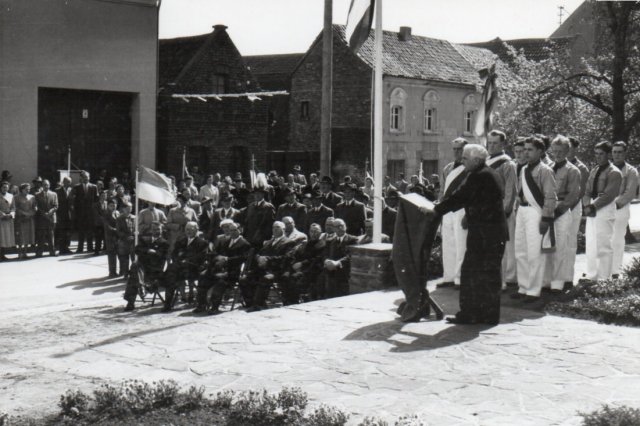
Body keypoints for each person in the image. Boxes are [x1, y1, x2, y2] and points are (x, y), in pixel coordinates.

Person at [432, 144, 508, 325]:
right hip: (490, 233)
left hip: (485, 234)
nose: (461, 161)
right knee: (487, 276)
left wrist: (436, 211)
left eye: (465, 158)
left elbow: (460, 196)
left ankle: (470, 314)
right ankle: (487, 316)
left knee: (472, 273)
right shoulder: (488, 173)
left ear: (476, 160)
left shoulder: (479, 176)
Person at [513, 136, 557, 303]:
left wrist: (546, 217)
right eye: (524, 149)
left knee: (534, 252)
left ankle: (533, 290)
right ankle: (523, 287)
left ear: (540, 151)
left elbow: (550, 197)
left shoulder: (545, 170)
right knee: (520, 250)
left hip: (535, 212)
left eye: (530, 149)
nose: (526, 152)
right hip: (522, 211)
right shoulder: (523, 169)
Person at [544, 136, 581, 293]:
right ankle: (546, 281)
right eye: (555, 151)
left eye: (561, 151)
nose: (557, 154)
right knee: (546, 248)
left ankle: (558, 283)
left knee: (560, 247)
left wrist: (557, 212)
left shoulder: (573, 170)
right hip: (547, 210)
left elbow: (573, 196)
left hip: (562, 211)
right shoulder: (547, 167)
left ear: (567, 151)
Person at [582, 141, 622, 281]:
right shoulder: (594, 170)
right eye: (596, 154)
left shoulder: (614, 172)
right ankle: (591, 275)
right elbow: (587, 191)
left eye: (601, 154)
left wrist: (593, 206)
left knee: (603, 244)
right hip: (592, 207)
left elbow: (609, 194)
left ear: (608, 155)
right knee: (591, 243)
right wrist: (587, 205)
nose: (598, 157)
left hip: (604, 208)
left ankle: (604, 278)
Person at [196, 221, 251, 314]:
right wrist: (217, 257)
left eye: (235, 230)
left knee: (219, 279)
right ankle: (201, 304)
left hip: (232, 272)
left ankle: (214, 306)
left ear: (240, 230)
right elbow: (216, 252)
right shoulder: (225, 241)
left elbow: (242, 258)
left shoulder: (244, 244)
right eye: (230, 230)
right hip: (219, 268)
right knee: (203, 275)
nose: (232, 232)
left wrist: (227, 259)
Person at [241, 221, 296, 311]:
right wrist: (259, 258)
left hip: (278, 270)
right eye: (273, 227)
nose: (274, 229)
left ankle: (257, 304)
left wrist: (267, 259)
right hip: (263, 268)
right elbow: (259, 253)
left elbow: (286, 258)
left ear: (283, 229)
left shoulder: (289, 242)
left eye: (277, 227)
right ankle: (250, 303)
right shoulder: (268, 242)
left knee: (265, 279)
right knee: (244, 279)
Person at [486, 130, 518, 289]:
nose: (491, 146)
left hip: (500, 211)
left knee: (503, 247)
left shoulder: (507, 163)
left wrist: (505, 211)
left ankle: (503, 280)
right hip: (485, 210)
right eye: (489, 143)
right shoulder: (485, 160)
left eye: (495, 143)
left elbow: (511, 190)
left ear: (503, 144)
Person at [438, 138, 469, 289]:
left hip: (461, 209)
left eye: (460, 149)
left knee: (461, 244)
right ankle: (448, 276)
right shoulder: (447, 168)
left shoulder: (469, 168)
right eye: (454, 149)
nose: (457, 152)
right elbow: (442, 191)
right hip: (447, 209)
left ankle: (460, 278)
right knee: (448, 243)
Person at [123, 221, 170, 311]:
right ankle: (141, 286)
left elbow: (161, 256)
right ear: (151, 230)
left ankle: (131, 302)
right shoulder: (145, 240)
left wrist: (150, 252)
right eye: (154, 229)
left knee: (134, 273)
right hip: (143, 268)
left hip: (154, 270)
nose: (156, 231)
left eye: (158, 229)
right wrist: (148, 251)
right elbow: (137, 250)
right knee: (135, 267)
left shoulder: (164, 243)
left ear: (162, 230)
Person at [163, 221, 208, 311]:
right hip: (180, 269)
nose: (188, 231)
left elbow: (201, 257)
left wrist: (187, 261)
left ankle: (200, 304)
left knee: (172, 271)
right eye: (187, 229)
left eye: (191, 229)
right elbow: (174, 254)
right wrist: (178, 260)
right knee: (170, 276)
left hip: (193, 269)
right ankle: (167, 303)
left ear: (196, 230)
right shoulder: (181, 241)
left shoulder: (202, 243)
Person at [610, 141, 638, 278]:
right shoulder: (606, 168)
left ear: (625, 153)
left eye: (620, 152)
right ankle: (603, 270)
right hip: (604, 208)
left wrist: (614, 204)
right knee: (603, 239)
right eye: (614, 152)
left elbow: (630, 193)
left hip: (620, 208)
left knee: (617, 240)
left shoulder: (631, 171)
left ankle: (615, 271)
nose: (617, 154)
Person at [566, 136, 590, 289]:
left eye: (570, 147)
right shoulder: (557, 165)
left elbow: (579, 193)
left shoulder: (581, 168)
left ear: (575, 149)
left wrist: (565, 208)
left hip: (572, 208)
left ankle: (568, 277)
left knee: (570, 243)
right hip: (561, 208)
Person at [285, 223, 327, 303]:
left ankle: (295, 302)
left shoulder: (322, 244)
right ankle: (289, 302)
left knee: (295, 281)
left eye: (316, 231)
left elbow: (316, 259)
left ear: (320, 232)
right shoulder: (306, 244)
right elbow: (298, 255)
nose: (313, 234)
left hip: (313, 270)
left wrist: (302, 265)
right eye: (311, 231)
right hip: (302, 269)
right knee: (286, 276)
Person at [321, 218, 358, 298]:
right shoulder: (330, 241)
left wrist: (338, 262)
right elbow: (325, 254)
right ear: (333, 229)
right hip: (331, 274)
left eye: (341, 226)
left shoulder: (353, 239)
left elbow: (351, 255)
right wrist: (327, 261)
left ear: (345, 226)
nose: (340, 228)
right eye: (337, 226)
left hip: (345, 275)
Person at [71, 171, 98, 253]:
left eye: (87, 177)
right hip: (80, 213)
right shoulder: (76, 187)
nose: (86, 178)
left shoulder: (94, 187)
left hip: (90, 213)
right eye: (84, 177)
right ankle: (80, 248)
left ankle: (90, 248)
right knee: (81, 232)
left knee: (90, 231)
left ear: (89, 177)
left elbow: (96, 200)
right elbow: (74, 200)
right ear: (81, 178)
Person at [35, 179, 58, 257]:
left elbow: (56, 205)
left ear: (49, 185)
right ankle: (39, 252)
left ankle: (52, 251)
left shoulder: (54, 194)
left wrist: (50, 212)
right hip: (42, 218)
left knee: (51, 235)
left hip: (51, 218)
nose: (46, 186)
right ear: (42, 186)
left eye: (47, 185)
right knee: (41, 236)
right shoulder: (37, 195)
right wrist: (44, 214)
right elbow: (37, 206)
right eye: (44, 185)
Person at [14, 183, 36, 260]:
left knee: (28, 236)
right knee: (21, 236)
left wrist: (31, 214)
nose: (28, 190)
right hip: (21, 219)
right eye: (26, 189)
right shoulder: (16, 197)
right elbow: (15, 208)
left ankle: (25, 253)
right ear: (22, 189)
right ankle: (19, 253)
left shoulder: (32, 197)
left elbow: (34, 207)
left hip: (29, 219)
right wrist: (24, 214)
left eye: (29, 189)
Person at [115, 202, 136, 277]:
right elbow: (118, 231)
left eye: (130, 208)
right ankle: (125, 273)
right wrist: (125, 237)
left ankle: (134, 273)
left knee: (134, 258)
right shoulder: (119, 218)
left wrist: (134, 236)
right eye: (127, 208)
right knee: (124, 258)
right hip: (124, 241)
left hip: (133, 240)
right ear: (123, 209)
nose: (129, 210)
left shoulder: (134, 218)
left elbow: (137, 229)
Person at [55, 177, 73, 254]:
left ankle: (66, 247)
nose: (69, 183)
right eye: (68, 182)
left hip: (69, 215)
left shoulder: (71, 190)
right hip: (61, 214)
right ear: (64, 182)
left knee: (68, 232)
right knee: (61, 232)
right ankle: (62, 248)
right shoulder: (57, 191)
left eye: (70, 182)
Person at [103, 198, 120, 278]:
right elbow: (107, 226)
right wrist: (116, 230)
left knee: (118, 253)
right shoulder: (106, 213)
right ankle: (112, 272)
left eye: (115, 205)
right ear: (108, 206)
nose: (113, 207)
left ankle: (118, 271)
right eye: (111, 205)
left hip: (117, 236)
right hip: (110, 236)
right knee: (111, 254)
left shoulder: (117, 212)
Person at [0, 181, 15, 261]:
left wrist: (11, 214)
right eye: (3, 187)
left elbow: (13, 207)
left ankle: (3, 254)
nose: (5, 189)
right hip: (1, 218)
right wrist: (2, 214)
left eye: (6, 187)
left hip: (8, 218)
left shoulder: (11, 196)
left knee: (5, 237)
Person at [92, 191, 109, 255]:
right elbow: (96, 214)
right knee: (98, 238)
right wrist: (104, 220)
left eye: (105, 195)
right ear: (99, 196)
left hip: (106, 224)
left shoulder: (107, 203)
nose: (104, 197)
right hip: (98, 224)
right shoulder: (95, 204)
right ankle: (97, 251)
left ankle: (105, 250)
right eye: (102, 195)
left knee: (105, 237)